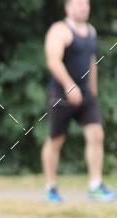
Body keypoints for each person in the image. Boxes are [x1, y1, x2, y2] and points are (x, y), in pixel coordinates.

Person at [41, 0, 115, 202]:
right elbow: (53, 60)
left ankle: (95, 186)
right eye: (79, 4)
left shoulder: (91, 31)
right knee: (56, 140)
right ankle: (50, 188)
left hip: (85, 96)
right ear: (68, 8)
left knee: (96, 135)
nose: (84, 7)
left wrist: (93, 89)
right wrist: (69, 85)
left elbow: (91, 60)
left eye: (86, 4)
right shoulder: (60, 30)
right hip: (62, 95)